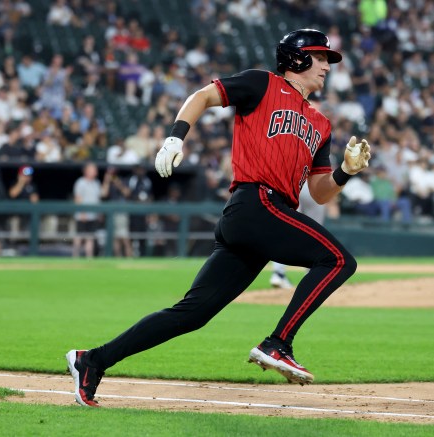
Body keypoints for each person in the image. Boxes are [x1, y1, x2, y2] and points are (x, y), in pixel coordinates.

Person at [66, 29, 371, 407]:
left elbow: (319, 191)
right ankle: (278, 343)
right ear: (296, 58)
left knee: (191, 314)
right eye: (321, 57)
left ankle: (92, 361)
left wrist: (344, 171)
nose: (327, 66)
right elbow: (203, 96)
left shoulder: (321, 124)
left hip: (265, 217)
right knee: (339, 260)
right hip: (255, 203)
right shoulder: (263, 83)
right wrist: (176, 137)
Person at [270, 184, 327, 289]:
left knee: (286, 231)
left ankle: (278, 274)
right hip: (314, 182)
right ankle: (311, 276)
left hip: (293, 182)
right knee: (315, 232)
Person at [101, 166, 132, 257]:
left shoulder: (122, 180)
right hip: (111, 213)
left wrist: (117, 182)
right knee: (115, 238)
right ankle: (118, 258)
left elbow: (127, 193)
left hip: (121, 212)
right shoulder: (107, 183)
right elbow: (103, 194)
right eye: (109, 173)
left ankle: (129, 259)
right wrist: (106, 181)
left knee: (125, 237)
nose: (111, 175)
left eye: (112, 174)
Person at [72, 163, 102, 258]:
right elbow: (78, 198)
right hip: (82, 215)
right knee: (79, 237)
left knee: (90, 238)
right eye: (92, 169)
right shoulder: (81, 182)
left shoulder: (96, 183)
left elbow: (100, 196)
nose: (95, 171)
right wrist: (82, 212)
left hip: (93, 215)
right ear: (86, 171)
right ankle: (75, 256)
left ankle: (89, 257)